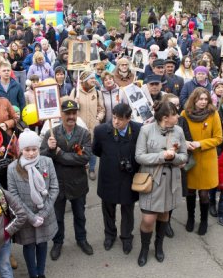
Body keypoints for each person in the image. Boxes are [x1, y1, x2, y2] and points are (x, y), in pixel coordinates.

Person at [134, 100, 187, 266]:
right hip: (152, 181)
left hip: (171, 181)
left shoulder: (178, 130)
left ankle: (159, 245)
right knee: (148, 220)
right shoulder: (146, 130)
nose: (178, 116)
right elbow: (139, 156)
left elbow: (184, 156)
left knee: (164, 215)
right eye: (175, 114)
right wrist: (162, 156)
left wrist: (175, 158)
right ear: (165, 117)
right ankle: (144, 248)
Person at [40, 99, 93, 260]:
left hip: (78, 183)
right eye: (67, 113)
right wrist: (50, 149)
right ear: (61, 114)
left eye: (74, 113)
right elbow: (42, 158)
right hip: (57, 184)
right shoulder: (51, 133)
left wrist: (59, 154)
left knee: (80, 215)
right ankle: (58, 242)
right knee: (57, 217)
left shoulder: (84, 134)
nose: (71, 116)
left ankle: (81, 239)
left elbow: (84, 158)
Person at [7, 130, 59, 278]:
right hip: (26, 216)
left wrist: (42, 214)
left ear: (38, 148)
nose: (30, 153)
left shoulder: (47, 162)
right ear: (21, 149)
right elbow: (14, 195)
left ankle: (41, 272)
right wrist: (30, 216)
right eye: (27, 149)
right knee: (29, 246)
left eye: (34, 149)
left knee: (43, 244)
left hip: (45, 213)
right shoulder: (12, 168)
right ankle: (33, 275)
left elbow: (54, 187)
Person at [93, 104, 140, 253]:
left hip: (129, 177)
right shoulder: (101, 131)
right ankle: (110, 235)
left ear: (129, 118)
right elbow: (96, 150)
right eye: (114, 118)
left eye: (120, 119)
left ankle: (126, 237)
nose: (116, 122)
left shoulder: (139, 129)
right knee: (108, 208)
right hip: (108, 176)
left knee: (128, 209)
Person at [182, 88, 223, 235]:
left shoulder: (213, 114)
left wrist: (201, 143)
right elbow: (178, 133)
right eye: (200, 99)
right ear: (194, 99)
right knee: (190, 191)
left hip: (207, 159)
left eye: (206, 99)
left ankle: (204, 220)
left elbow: (219, 138)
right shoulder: (184, 114)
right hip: (190, 159)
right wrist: (185, 143)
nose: (203, 102)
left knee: (204, 194)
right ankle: (190, 218)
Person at [69, 71, 105, 180]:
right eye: (91, 78)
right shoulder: (75, 92)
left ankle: (92, 168)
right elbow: (69, 111)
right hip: (79, 127)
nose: (94, 80)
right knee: (79, 148)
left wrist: (99, 118)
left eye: (94, 78)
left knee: (92, 149)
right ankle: (81, 168)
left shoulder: (97, 93)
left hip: (93, 126)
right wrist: (74, 103)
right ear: (84, 80)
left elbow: (101, 109)